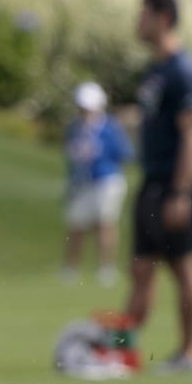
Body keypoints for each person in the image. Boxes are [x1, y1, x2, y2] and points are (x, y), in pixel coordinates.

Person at [124, 0, 192, 374]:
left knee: (181, 265)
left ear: (162, 19)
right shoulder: (156, 70)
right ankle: (122, 350)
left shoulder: (183, 69)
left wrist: (181, 191)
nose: (137, 23)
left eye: (143, 16)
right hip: (152, 179)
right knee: (142, 267)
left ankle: (189, 353)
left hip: (174, 184)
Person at [62, 80, 132, 286]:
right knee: (76, 226)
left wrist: (100, 152)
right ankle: (70, 269)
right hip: (82, 182)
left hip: (107, 180)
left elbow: (125, 153)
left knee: (105, 224)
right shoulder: (74, 128)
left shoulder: (110, 128)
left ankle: (105, 268)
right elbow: (71, 156)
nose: (85, 111)